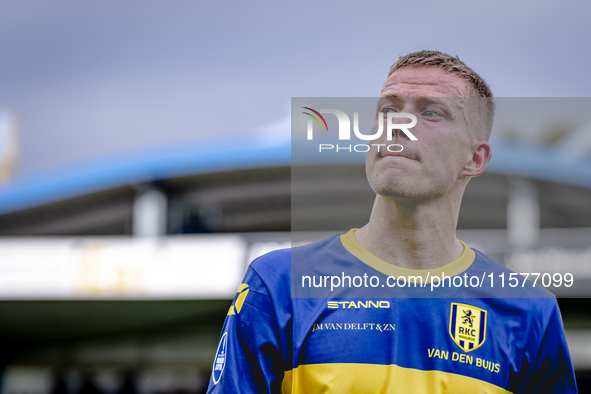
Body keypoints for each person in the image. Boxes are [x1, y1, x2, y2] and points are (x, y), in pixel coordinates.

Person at [206, 50, 577, 393]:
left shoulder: (529, 309)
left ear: (475, 159)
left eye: (431, 112)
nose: (399, 125)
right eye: (388, 110)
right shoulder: (276, 284)